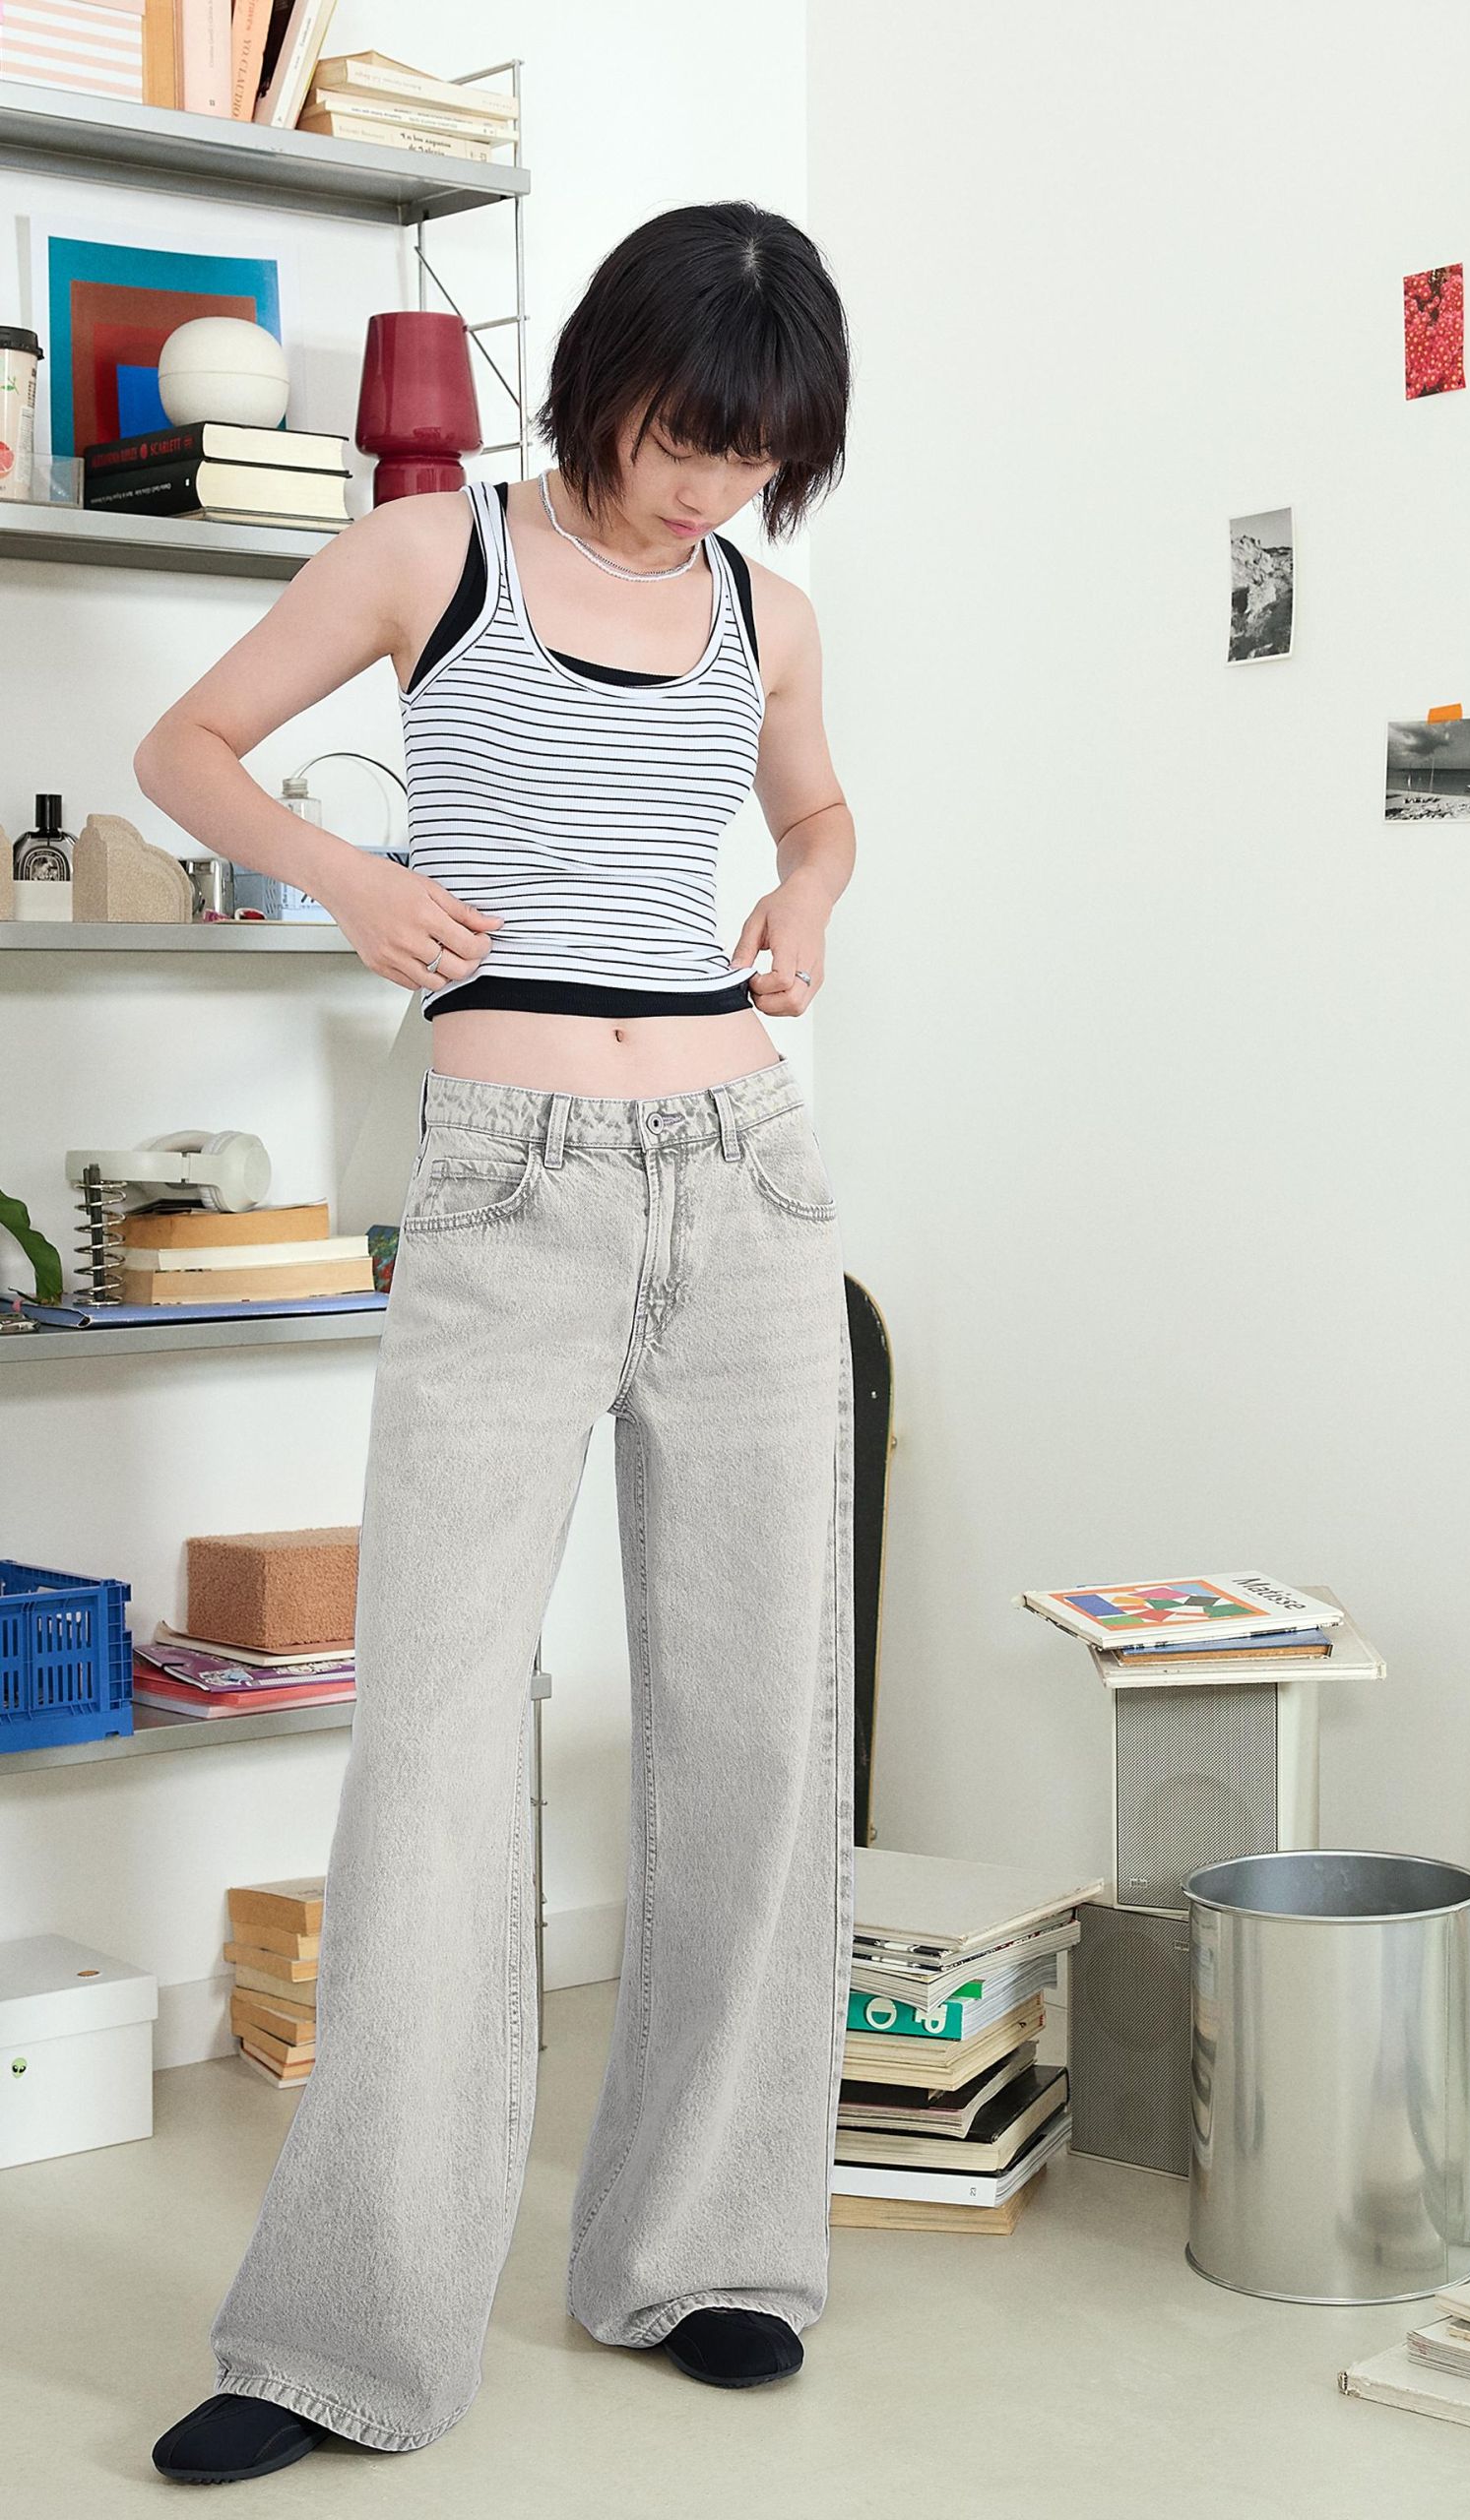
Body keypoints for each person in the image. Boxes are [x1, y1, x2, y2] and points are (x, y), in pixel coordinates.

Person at [143, 202, 858, 2483]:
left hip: (743, 1179)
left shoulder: (764, 610)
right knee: (437, 1744)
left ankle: (707, 2250)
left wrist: (805, 894)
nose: (704, 487)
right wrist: (346, 878)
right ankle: (335, 2337)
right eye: (679, 436)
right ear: (604, 380)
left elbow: (816, 807)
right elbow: (187, 746)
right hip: (509, 1180)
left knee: (755, 1727)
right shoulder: (424, 553)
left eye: (750, 457)